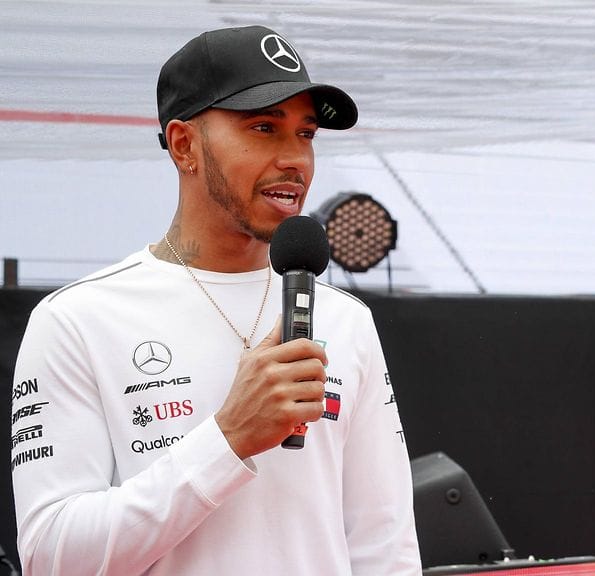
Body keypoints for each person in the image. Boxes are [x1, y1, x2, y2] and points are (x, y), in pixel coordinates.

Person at [10, 25, 421, 575]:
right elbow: (51, 557)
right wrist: (227, 439)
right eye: (264, 127)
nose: (295, 159)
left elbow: (385, 547)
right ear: (185, 145)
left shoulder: (346, 320)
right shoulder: (76, 321)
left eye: (305, 134)